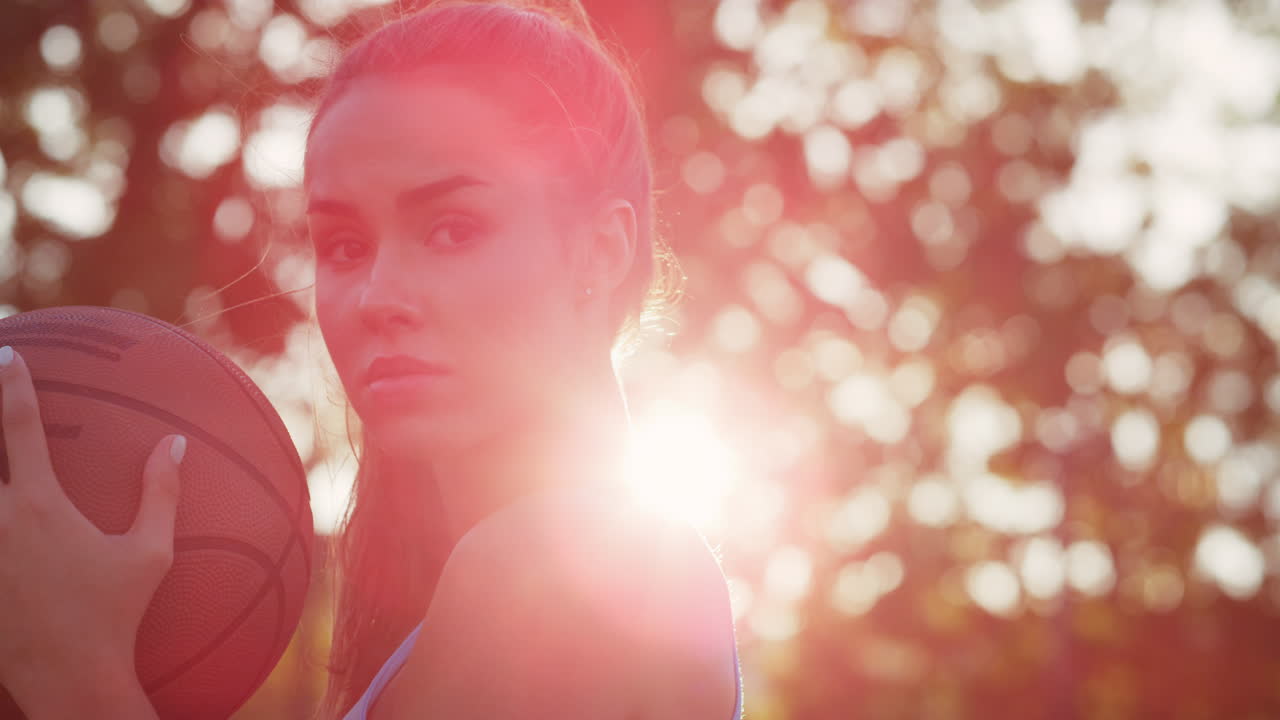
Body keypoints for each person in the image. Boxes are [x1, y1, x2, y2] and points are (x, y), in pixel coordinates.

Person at [0, 1, 743, 719]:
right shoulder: (474, 587)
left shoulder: (571, 564)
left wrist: (77, 676)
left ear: (599, 251)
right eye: (345, 246)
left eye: (452, 228)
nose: (376, 297)